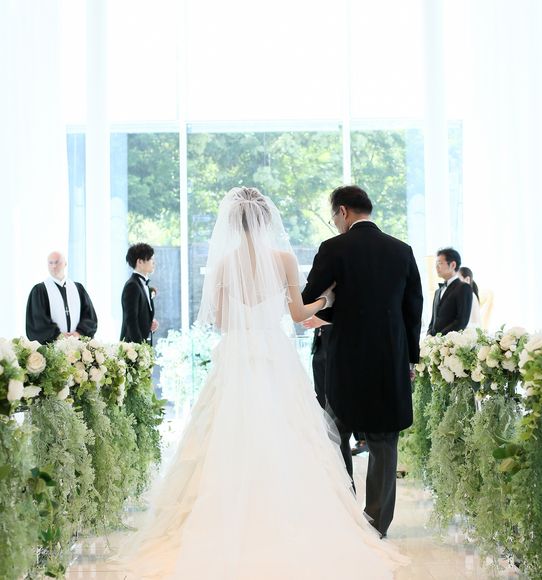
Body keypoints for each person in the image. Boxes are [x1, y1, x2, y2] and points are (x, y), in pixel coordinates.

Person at [111, 187, 407, 579]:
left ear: (233, 223)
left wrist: (246, 322)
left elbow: (220, 320)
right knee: (287, 431)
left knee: (229, 431)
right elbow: (298, 313)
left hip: (236, 354)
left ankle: (229, 514)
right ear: (268, 220)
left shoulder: (224, 263)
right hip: (274, 352)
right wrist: (326, 301)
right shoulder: (283, 259)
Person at [302, 185, 423, 539]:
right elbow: (412, 311)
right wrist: (410, 360)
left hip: (346, 361)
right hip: (389, 359)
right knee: (384, 441)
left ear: (342, 212)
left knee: (336, 433)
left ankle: (346, 513)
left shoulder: (333, 248)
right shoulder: (401, 250)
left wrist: (332, 303)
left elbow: (309, 297)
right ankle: (377, 523)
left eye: (334, 217)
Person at [304, 315, 369, 456]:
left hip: (340, 344)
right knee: (322, 397)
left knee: (340, 406)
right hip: (321, 344)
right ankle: (326, 434)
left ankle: (361, 438)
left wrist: (323, 319)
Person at [25, 251, 98, 344]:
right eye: (50, 263)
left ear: (65, 263)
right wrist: (58, 335)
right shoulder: (39, 290)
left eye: (57, 262)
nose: (54, 266)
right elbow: (38, 320)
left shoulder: (78, 288)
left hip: (77, 343)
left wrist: (78, 333)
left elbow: (89, 315)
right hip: (52, 346)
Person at [426, 247, 473, 336]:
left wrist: (439, 338)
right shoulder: (438, 291)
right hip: (434, 341)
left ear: (453, 265)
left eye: (440, 263)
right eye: (436, 263)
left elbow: (461, 321)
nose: (436, 267)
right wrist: (429, 335)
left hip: (449, 341)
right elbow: (433, 320)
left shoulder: (463, 288)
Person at [120, 243, 159, 345]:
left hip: (143, 346)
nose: (153, 262)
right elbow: (131, 320)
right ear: (140, 262)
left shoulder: (142, 285)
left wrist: (150, 324)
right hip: (133, 347)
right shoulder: (132, 286)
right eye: (150, 259)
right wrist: (140, 347)